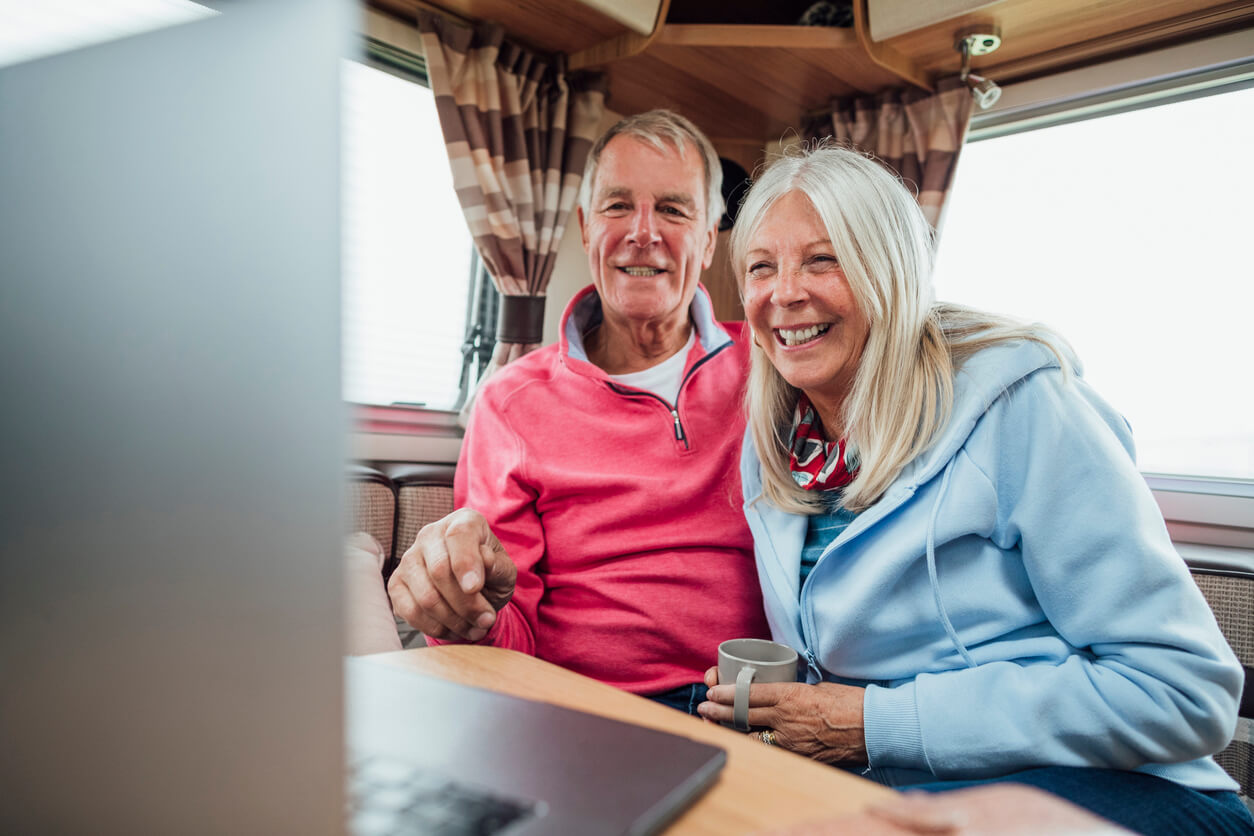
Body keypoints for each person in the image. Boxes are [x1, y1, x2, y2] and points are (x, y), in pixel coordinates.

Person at [695, 145, 1251, 834]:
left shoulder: (1023, 407)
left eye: (823, 259)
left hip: (1126, 795)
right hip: (907, 792)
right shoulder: (777, 440)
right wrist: (796, 714)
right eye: (760, 267)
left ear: (889, 270)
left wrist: (876, 723)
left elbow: (1183, 692)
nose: (784, 293)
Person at [387, 110, 769, 712]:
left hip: (753, 706)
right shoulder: (510, 402)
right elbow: (507, 637)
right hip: (586, 707)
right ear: (587, 229)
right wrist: (463, 611)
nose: (643, 232)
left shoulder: (772, 366)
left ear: (710, 237)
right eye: (618, 206)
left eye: (673, 209)